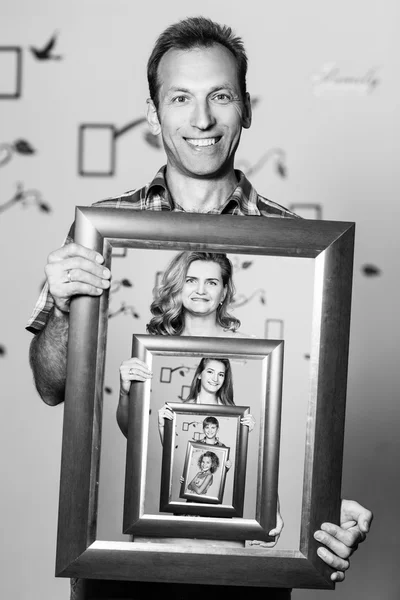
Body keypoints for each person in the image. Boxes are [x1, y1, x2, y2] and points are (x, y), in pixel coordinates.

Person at [26, 14, 372, 595]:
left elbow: (293, 415)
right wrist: (62, 310)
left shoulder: (300, 248)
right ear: (152, 112)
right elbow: (51, 384)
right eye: (180, 97)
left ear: (246, 108)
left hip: (247, 570)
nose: (202, 119)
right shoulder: (102, 230)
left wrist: (324, 513)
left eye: (221, 96)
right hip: (122, 566)